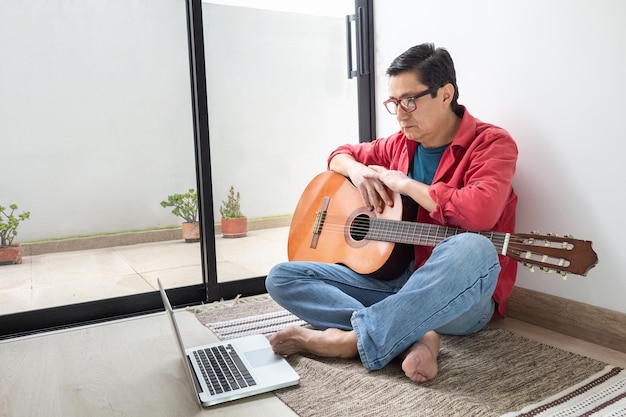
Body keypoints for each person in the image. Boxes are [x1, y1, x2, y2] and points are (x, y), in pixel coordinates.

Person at [265, 43, 518, 383]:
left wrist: (409, 186)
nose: (400, 113)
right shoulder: (398, 144)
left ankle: (350, 341)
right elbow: (340, 154)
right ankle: (412, 336)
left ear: (445, 94)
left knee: (475, 248)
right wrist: (357, 172)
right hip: (394, 283)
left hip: (457, 297)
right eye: (394, 103)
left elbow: (480, 213)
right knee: (283, 276)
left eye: (409, 100)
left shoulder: (492, 143)